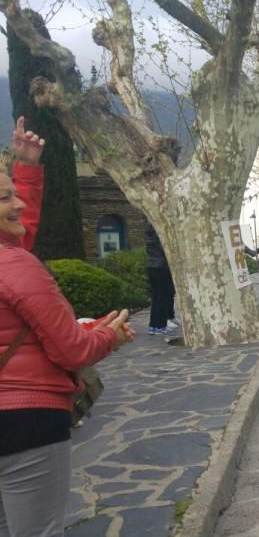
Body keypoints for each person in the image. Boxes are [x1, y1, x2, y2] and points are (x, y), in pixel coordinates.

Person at [1, 169, 135, 537]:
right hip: (26, 422)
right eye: (5, 198)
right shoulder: (16, 266)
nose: (19, 204)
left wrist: (28, 169)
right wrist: (108, 336)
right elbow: (72, 352)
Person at [9, 117, 44, 252]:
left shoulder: (10, 245)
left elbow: (23, 224)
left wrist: (28, 164)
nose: (19, 205)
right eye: (4, 198)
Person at [145, 223, 178, 335]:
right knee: (163, 297)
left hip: (151, 266)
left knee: (156, 298)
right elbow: (165, 250)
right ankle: (161, 326)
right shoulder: (159, 234)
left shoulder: (149, 235)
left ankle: (153, 326)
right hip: (162, 267)